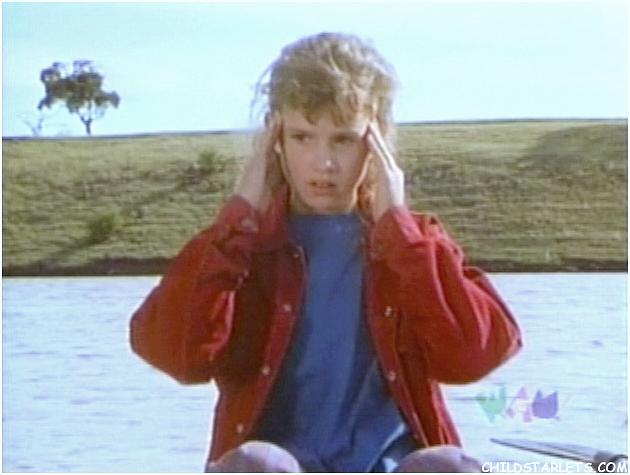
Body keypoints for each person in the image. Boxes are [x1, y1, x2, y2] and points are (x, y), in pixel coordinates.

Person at [129, 32, 522, 472]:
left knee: (448, 466)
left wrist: (401, 234)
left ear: (375, 140)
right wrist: (237, 220)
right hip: (279, 466)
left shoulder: (414, 244)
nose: (324, 163)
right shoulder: (243, 246)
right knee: (258, 463)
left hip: (390, 465)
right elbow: (178, 359)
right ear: (275, 137)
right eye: (302, 137)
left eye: (343, 140)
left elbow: (473, 358)